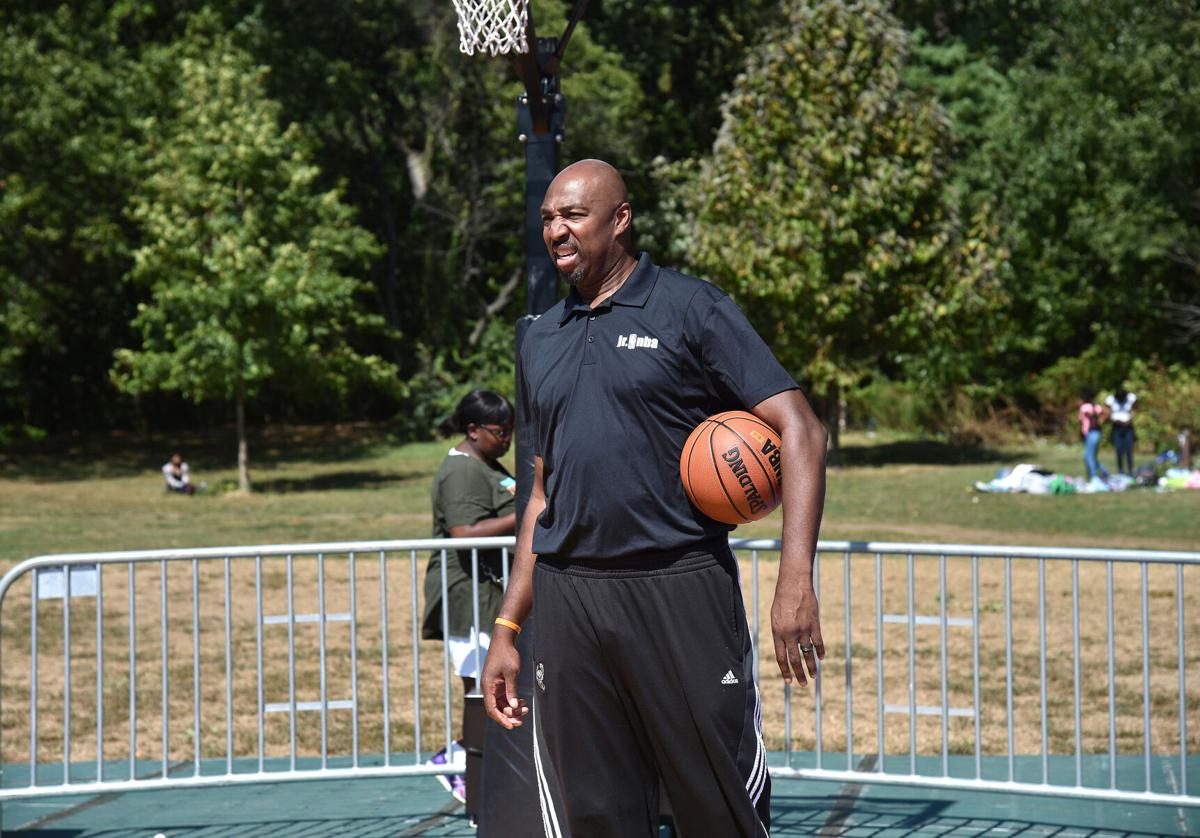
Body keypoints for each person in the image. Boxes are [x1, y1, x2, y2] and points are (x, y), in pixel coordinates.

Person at [480, 159, 828, 837]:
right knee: (596, 817)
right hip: (571, 600)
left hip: (679, 587)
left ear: (621, 219)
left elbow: (801, 428)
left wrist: (795, 582)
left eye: (574, 214)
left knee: (716, 807)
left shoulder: (690, 308)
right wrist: (507, 627)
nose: (556, 229)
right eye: (548, 217)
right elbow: (541, 498)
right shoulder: (540, 338)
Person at [421, 389, 517, 803]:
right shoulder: (461, 471)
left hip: (491, 594)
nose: (507, 440)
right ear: (473, 430)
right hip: (470, 597)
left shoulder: (486, 463)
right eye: (500, 432)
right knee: (481, 692)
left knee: (495, 691)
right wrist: (532, 514)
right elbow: (464, 533)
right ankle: (469, 778)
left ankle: (477, 771)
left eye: (511, 431)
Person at [1078, 388, 1109, 482]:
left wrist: (1091, 416)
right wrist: (1100, 420)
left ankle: (1094, 477)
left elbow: (1082, 417)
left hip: (1091, 433)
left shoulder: (1084, 407)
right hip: (1096, 433)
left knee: (1089, 456)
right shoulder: (1094, 405)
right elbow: (1106, 412)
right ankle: (1103, 473)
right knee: (1090, 456)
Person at [1105, 386, 1137, 476]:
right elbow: (1107, 411)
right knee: (1119, 450)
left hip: (1128, 427)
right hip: (1117, 428)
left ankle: (1130, 471)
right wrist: (1113, 419)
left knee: (1129, 450)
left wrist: (1130, 419)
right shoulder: (1111, 400)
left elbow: (1136, 408)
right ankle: (1120, 471)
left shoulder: (1130, 398)